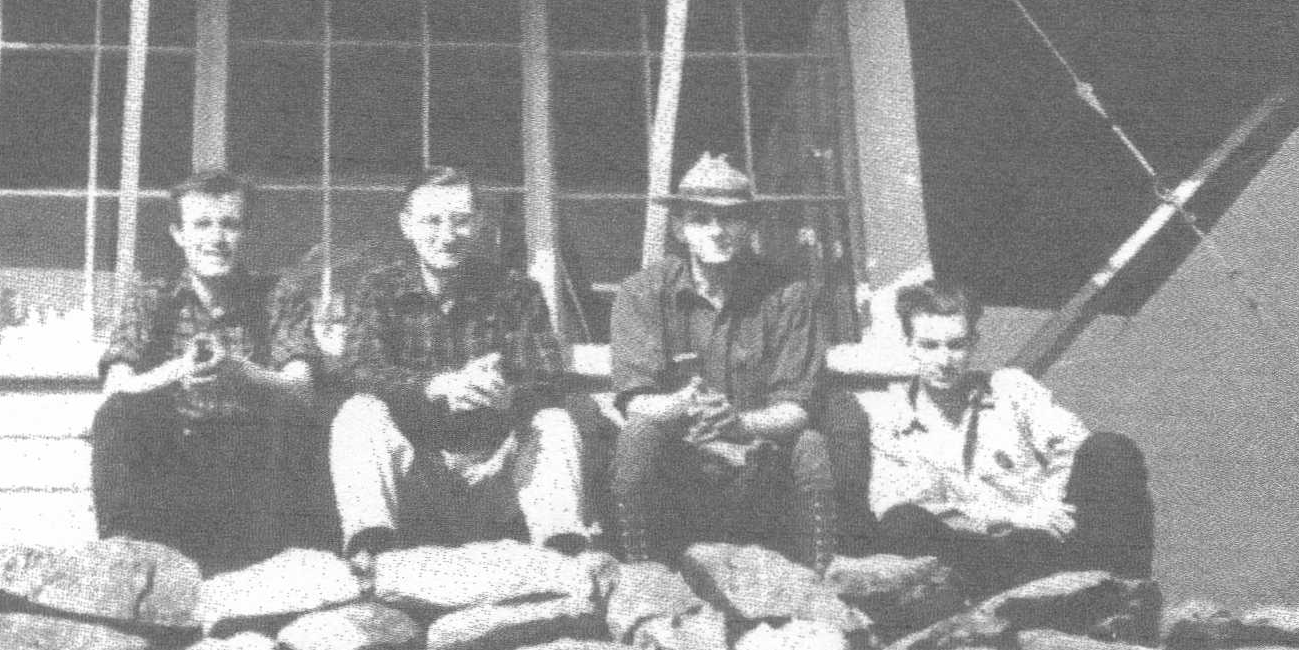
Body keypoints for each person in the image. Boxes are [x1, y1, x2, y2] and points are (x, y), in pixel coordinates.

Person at [329, 166, 590, 568]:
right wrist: (437, 385)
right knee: (358, 412)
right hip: (419, 474)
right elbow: (359, 370)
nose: (447, 235)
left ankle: (562, 556)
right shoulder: (379, 289)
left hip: (498, 473)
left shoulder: (515, 290)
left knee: (553, 422)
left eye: (461, 220)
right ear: (406, 225)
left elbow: (549, 377)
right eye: (432, 221)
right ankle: (371, 553)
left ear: (478, 223)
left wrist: (507, 394)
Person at [608, 153, 836, 570]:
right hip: (679, 471)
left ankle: (820, 577)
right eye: (700, 219)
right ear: (679, 228)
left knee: (811, 446)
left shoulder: (788, 294)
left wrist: (739, 424)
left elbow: (797, 408)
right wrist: (682, 405)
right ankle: (642, 574)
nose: (717, 232)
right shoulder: (642, 292)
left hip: (760, 469)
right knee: (637, 438)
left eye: (730, 218)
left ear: (750, 225)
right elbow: (635, 401)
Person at [89, 169, 324, 572]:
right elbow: (116, 390)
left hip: (250, 472)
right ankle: (124, 561)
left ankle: (289, 566)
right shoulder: (152, 297)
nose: (216, 239)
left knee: (292, 417)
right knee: (118, 416)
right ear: (178, 234)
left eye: (229, 224)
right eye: (202, 225)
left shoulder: (277, 295)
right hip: (173, 473)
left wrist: (239, 370)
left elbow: (302, 387)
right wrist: (179, 369)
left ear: (245, 232)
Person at [861, 280, 1154, 595]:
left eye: (956, 345)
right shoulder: (890, 421)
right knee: (903, 521)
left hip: (1050, 541)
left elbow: (1074, 450)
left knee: (1110, 450)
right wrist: (1012, 517)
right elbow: (897, 508)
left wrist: (1047, 503)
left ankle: (1129, 596)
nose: (944, 361)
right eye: (929, 346)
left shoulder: (1011, 389)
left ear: (974, 342)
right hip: (978, 558)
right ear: (909, 345)